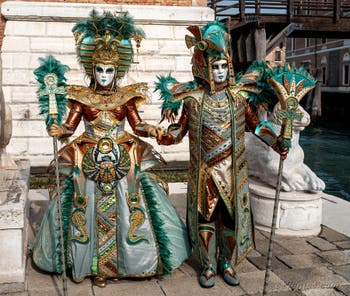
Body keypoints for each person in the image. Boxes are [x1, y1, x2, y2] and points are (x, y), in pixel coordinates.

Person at [31, 10, 190, 287]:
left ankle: (129, 263)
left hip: (124, 159)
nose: (104, 75)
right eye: (99, 70)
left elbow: (137, 125)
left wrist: (151, 130)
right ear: (92, 70)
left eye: (109, 70)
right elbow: (69, 126)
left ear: (118, 70)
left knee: (133, 205)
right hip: (87, 160)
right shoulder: (81, 98)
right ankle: (92, 266)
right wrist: (58, 130)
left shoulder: (126, 97)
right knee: (82, 206)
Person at [155, 21, 288, 288]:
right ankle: (206, 265)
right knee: (205, 218)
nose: (219, 71)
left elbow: (256, 126)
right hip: (204, 173)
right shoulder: (193, 99)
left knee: (229, 219)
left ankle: (226, 262)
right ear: (205, 67)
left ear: (229, 67)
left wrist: (277, 143)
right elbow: (178, 133)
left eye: (223, 66)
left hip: (232, 173)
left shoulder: (239, 98)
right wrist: (161, 136)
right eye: (214, 66)